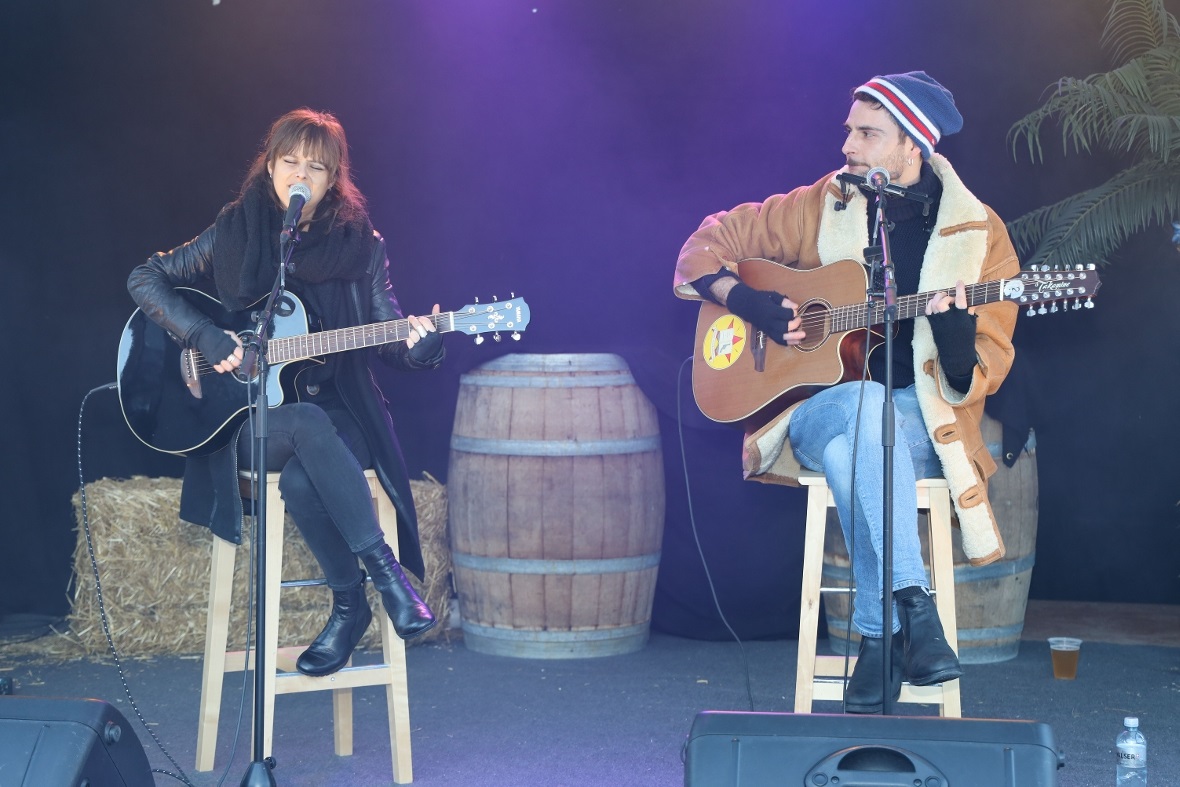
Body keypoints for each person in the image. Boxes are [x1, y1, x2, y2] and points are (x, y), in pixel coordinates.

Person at [674, 72, 1020, 712]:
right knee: (863, 408)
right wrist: (748, 302)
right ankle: (916, 606)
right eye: (849, 132)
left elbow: (979, 376)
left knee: (860, 439)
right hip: (818, 410)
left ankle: (878, 634)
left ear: (911, 145)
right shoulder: (822, 203)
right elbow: (704, 245)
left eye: (867, 134)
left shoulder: (980, 238)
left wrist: (951, 331)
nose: (848, 147)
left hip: (922, 425)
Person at [128, 108, 443, 677]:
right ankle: (386, 578)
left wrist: (421, 343)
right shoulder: (236, 228)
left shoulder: (361, 248)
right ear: (270, 166)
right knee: (299, 425)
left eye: (316, 168)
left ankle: (349, 607)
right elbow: (144, 279)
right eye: (290, 162)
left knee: (305, 465)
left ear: (333, 178)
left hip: (338, 413)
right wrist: (202, 333)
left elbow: (391, 338)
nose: (301, 175)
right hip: (246, 418)